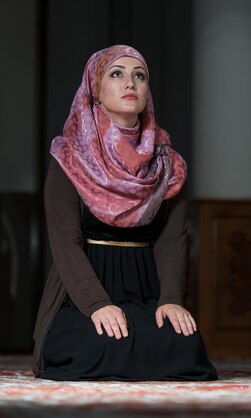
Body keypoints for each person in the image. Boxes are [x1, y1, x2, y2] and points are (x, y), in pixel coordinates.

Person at [32, 45, 218, 381]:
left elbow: (172, 241)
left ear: (147, 91)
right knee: (102, 345)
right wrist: (97, 304)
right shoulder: (69, 156)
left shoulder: (166, 164)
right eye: (116, 74)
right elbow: (66, 242)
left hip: (145, 289)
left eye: (139, 76)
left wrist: (171, 300)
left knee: (185, 345)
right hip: (80, 294)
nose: (130, 83)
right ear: (95, 88)